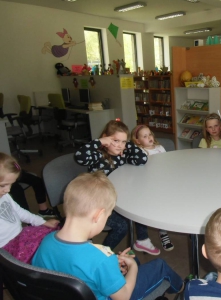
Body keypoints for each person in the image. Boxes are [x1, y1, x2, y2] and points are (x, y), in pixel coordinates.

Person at [33, 172, 185, 300]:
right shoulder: (101, 259)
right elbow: (123, 296)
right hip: (115, 296)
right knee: (159, 266)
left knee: (133, 259)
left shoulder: (46, 241)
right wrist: (131, 268)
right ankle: (181, 288)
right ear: (98, 215)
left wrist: (112, 267)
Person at [75, 120, 160, 255]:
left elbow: (142, 159)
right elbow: (80, 157)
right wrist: (100, 142)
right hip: (98, 202)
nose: (120, 146)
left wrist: (129, 146)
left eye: (123, 142)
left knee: (140, 205)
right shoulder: (98, 155)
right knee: (122, 226)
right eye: (115, 141)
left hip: (118, 197)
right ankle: (102, 254)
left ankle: (142, 240)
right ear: (105, 138)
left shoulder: (124, 155)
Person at [0, 152, 59, 263]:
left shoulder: (4, 195)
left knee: (53, 234)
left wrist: (42, 222)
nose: (7, 190)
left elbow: (19, 211)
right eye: (3, 185)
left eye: (10, 184)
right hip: (6, 250)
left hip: (20, 236)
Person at [131, 124, 174, 251]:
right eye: (144, 136)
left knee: (165, 207)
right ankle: (158, 233)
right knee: (155, 208)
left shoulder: (160, 147)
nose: (149, 137)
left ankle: (163, 232)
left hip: (163, 182)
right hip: (150, 185)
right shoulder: (141, 151)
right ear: (138, 141)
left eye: (150, 134)